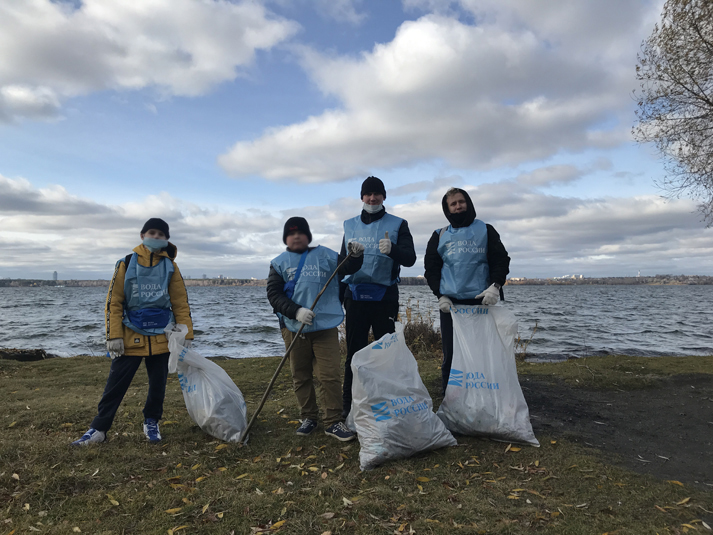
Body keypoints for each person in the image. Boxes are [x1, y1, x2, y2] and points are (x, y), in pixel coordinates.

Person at [72, 218, 194, 445]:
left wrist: (186, 334)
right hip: (130, 337)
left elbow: (180, 302)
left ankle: (152, 422)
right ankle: (99, 429)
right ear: (142, 236)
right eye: (152, 233)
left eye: (161, 234)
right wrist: (114, 335)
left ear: (166, 239)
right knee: (115, 385)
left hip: (162, 336)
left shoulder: (171, 267)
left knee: (158, 385)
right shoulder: (125, 263)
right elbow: (114, 301)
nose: (156, 237)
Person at [267, 217, 364, 441]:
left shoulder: (327, 255)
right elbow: (274, 295)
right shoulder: (279, 262)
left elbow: (348, 266)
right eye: (291, 233)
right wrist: (295, 311)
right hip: (294, 327)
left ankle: (333, 421)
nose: (296, 236)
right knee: (300, 375)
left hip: (325, 327)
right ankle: (308, 417)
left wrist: (357, 255)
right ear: (285, 238)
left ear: (308, 235)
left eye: (301, 232)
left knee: (329, 375)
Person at [340, 176, 417, 417]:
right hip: (355, 296)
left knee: (386, 351)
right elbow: (342, 265)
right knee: (354, 352)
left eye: (377, 194)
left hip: (385, 296)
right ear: (361, 197)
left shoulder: (398, 224)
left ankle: (389, 400)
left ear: (384, 196)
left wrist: (393, 250)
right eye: (368, 194)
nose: (372, 198)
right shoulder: (349, 225)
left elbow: (411, 258)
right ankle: (349, 404)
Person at [424, 188, 510, 395]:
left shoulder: (485, 230)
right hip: (451, 305)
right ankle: (450, 401)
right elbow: (432, 268)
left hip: (481, 301)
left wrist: (495, 286)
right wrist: (440, 295)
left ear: (468, 203)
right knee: (451, 355)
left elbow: (501, 260)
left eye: (461, 202)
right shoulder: (439, 235)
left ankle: (484, 398)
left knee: (482, 353)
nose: (458, 206)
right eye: (453, 204)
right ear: (447, 209)